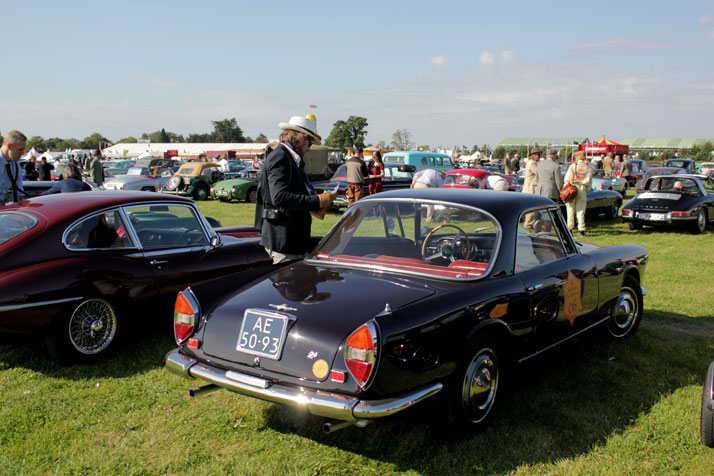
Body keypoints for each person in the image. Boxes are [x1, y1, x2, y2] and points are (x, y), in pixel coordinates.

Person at [254, 114, 335, 264]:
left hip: (291, 239)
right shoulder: (281, 158)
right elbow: (280, 197)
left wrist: (316, 202)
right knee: (291, 286)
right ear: (300, 138)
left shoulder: (289, 158)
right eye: (309, 142)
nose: (309, 148)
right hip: (284, 241)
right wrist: (316, 201)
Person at [564, 151, 592, 236]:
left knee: (570, 209)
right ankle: (581, 230)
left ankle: (570, 229)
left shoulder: (573, 166)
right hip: (582, 189)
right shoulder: (588, 168)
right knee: (581, 211)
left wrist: (565, 187)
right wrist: (585, 190)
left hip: (572, 188)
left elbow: (567, 179)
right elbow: (589, 183)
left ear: (577, 157)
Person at [0, 130, 27, 206]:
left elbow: (19, 192)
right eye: (20, 149)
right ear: (9, 146)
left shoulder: (15, 165)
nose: (22, 153)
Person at [522, 147, 541, 229]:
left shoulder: (530, 163)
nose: (539, 156)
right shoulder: (532, 164)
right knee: (531, 210)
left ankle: (529, 225)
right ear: (533, 155)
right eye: (538, 154)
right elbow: (538, 173)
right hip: (531, 189)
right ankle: (528, 226)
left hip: (529, 188)